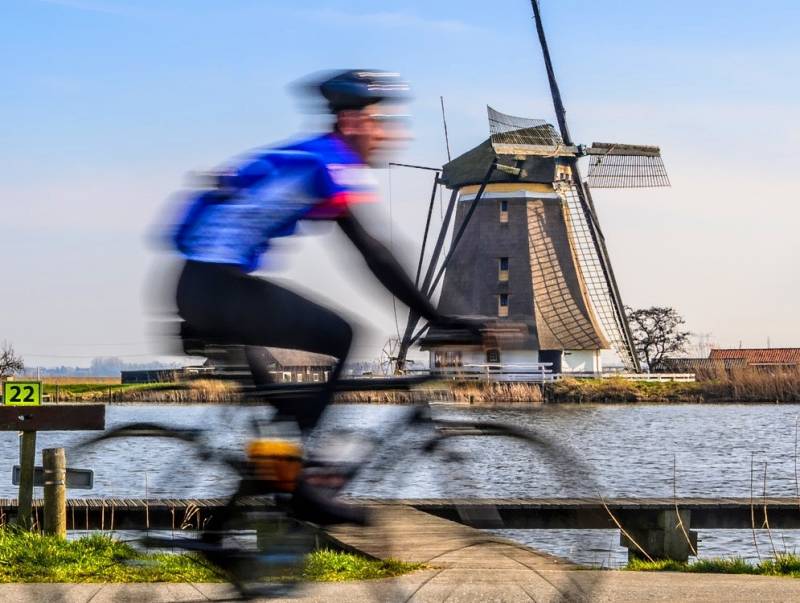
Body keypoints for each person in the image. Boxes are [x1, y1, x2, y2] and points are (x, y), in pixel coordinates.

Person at [170, 69, 468, 434]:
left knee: (290, 404)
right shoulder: (326, 162)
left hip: (204, 287)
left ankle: (281, 470)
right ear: (351, 121)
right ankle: (295, 475)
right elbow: (373, 253)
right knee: (340, 335)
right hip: (217, 288)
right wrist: (439, 319)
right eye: (378, 122)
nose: (387, 134)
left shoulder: (309, 157)